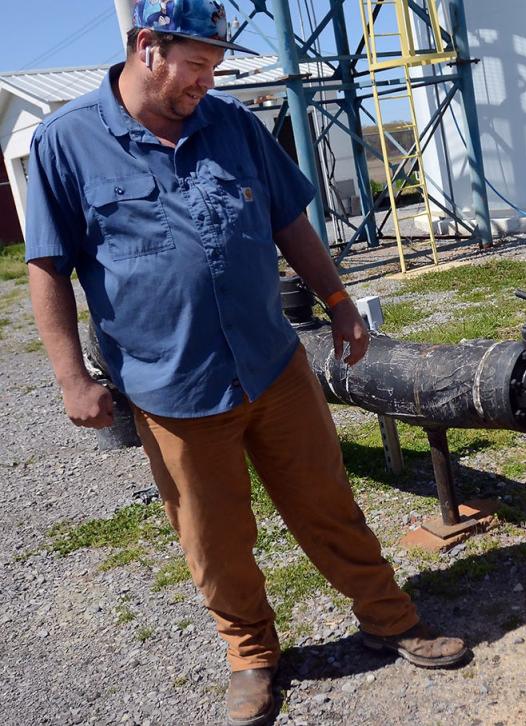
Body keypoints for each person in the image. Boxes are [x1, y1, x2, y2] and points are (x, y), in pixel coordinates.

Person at [25, 2, 468, 724]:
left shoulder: (230, 124)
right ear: (146, 48)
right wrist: (71, 377)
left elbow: (286, 218)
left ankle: (388, 618)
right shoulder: (65, 141)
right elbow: (46, 266)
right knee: (214, 537)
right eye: (195, 65)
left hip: (271, 363)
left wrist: (338, 299)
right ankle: (251, 655)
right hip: (172, 382)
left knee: (327, 500)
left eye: (214, 66)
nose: (208, 80)